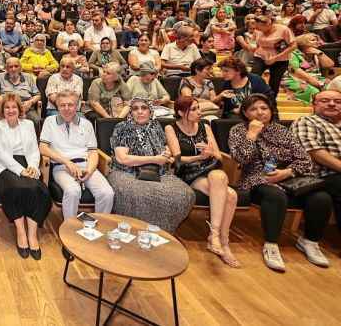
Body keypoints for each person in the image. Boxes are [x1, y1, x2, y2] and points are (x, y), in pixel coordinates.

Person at [229, 94, 331, 270]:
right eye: (253, 109)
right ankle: (271, 245)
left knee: (322, 197)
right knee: (275, 195)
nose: (260, 113)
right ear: (245, 113)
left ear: (271, 110)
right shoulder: (238, 130)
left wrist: (287, 172)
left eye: (264, 108)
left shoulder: (283, 131)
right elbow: (242, 159)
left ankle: (309, 242)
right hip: (256, 177)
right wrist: (252, 134)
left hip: (289, 177)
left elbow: (305, 160)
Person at [165, 96, 240, 267]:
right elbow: (177, 159)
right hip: (190, 173)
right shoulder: (171, 128)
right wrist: (198, 157)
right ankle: (221, 241)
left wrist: (210, 152)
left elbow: (219, 156)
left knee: (219, 177)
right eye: (194, 109)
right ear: (181, 112)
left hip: (210, 170)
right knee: (231, 195)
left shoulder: (205, 127)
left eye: (199, 108)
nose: (199, 112)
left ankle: (217, 238)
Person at [108, 97, 196, 233]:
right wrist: (154, 159)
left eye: (144, 108)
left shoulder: (155, 126)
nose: (140, 112)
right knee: (140, 194)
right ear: (130, 112)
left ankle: (162, 232)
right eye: (135, 109)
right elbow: (122, 159)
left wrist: (166, 154)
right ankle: (136, 231)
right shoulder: (122, 127)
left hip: (158, 172)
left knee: (185, 194)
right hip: (125, 172)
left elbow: (164, 147)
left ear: (150, 111)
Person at [0, 93, 51, 260]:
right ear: (2, 110)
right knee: (17, 188)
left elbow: (33, 149)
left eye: (14, 107)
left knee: (41, 191)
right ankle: (21, 232)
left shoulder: (29, 124)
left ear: (20, 109)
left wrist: (32, 167)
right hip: (5, 166)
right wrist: (20, 170)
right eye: (7, 107)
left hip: (28, 162)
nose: (11, 110)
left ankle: (32, 235)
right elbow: (1, 153)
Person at [40, 90, 113, 223]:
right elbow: (43, 148)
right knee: (73, 191)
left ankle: (98, 227)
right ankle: (70, 228)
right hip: (61, 167)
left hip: (86, 166)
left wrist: (89, 171)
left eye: (70, 105)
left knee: (107, 193)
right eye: (62, 105)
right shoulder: (50, 122)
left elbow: (93, 152)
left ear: (77, 105)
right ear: (57, 106)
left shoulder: (86, 124)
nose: (66, 109)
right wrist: (67, 162)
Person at [291, 90, 341, 239]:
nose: (332, 104)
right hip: (321, 175)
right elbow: (315, 153)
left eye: (337, 101)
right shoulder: (306, 121)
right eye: (325, 100)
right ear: (314, 105)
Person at [251, 15, 296, 98]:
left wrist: (276, 58)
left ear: (268, 24)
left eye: (259, 27)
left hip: (280, 57)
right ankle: (254, 97)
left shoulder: (283, 29)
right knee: (254, 76)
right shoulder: (257, 30)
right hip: (261, 55)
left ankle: (271, 102)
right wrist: (252, 47)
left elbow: (293, 46)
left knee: (274, 82)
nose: (257, 29)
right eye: (256, 27)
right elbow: (255, 43)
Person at [283, 33, 334, 104]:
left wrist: (320, 53)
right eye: (313, 40)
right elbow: (296, 70)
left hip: (316, 78)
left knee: (333, 87)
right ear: (303, 42)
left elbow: (329, 65)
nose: (317, 42)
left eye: (317, 40)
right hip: (295, 79)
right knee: (314, 91)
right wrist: (314, 82)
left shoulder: (316, 53)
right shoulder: (293, 53)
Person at [0, 57, 42, 121]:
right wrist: (7, 102)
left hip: (25, 107)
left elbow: (37, 95)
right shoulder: (0, 77)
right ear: (6, 69)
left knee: (36, 120)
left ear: (20, 68)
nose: (13, 69)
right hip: (7, 108)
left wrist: (30, 102)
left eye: (16, 66)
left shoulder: (28, 77)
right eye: (10, 67)